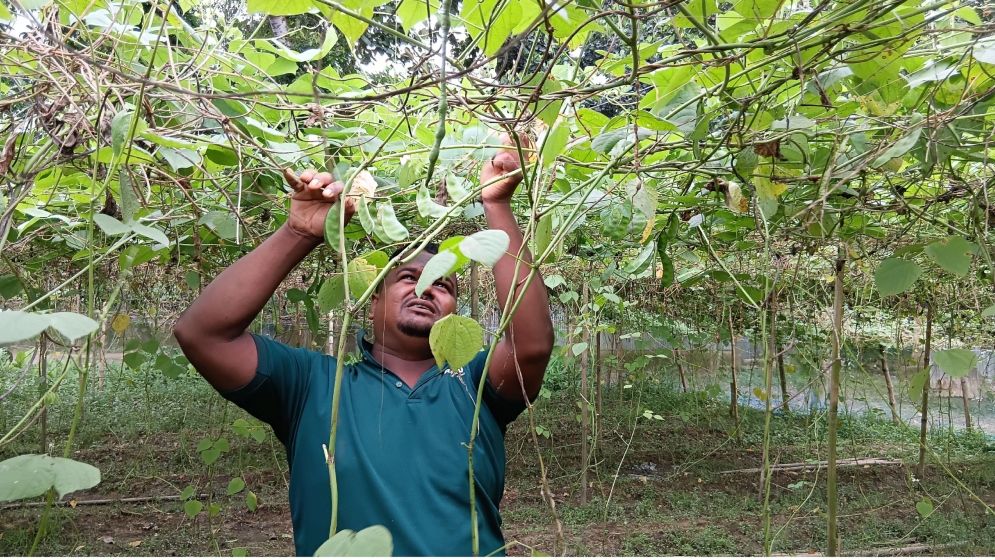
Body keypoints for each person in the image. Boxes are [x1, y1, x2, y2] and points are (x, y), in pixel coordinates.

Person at [173, 134, 553, 556]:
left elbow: (529, 346)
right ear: (372, 297)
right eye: (409, 278)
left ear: (455, 310)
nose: (426, 289)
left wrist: (496, 206)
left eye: (442, 285)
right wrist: (298, 232)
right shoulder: (313, 386)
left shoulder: (476, 386)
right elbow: (202, 334)